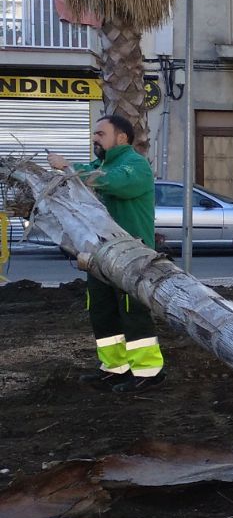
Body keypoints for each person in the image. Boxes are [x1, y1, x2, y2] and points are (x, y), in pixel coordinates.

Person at [47, 114, 166, 393]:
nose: (94, 139)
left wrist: (68, 167)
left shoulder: (134, 164)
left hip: (131, 253)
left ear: (121, 138)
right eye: (94, 134)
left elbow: (113, 183)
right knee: (102, 311)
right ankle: (115, 368)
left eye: (100, 134)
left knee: (131, 312)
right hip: (99, 254)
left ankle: (149, 372)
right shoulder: (98, 165)